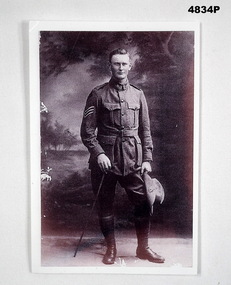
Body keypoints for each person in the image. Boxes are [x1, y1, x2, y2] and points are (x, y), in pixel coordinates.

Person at [80, 48, 165, 265]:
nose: (120, 67)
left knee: (145, 201)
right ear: (110, 66)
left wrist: (147, 158)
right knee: (105, 204)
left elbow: (145, 130)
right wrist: (98, 154)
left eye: (124, 64)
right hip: (105, 161)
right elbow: (87, 132)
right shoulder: (97, 94)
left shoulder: (138, 94)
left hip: (133, 159)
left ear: (129, 66)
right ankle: (111, 249)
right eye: (116, 64)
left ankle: (143, 248)